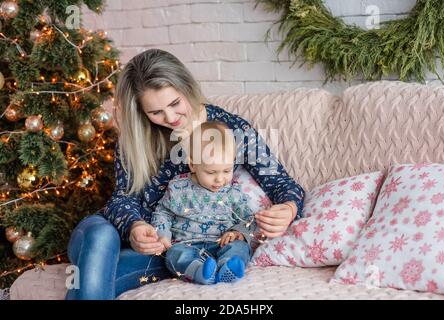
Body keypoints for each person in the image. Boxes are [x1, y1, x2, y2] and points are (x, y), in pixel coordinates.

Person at [65, 49, 305, 300]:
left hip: (168, 251)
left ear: (186, 87)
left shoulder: (230, 130)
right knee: (100, 236)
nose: (169, 118)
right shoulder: (136, 139)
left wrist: (288, 208)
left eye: (174, 103)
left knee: (91, 282)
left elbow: (282, 183)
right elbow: (122, 199)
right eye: (155, 112)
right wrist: (135, 226)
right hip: (109, 233)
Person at [152, 121, 256, 285]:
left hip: (222, 243)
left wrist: (238, 232)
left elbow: (249, 219)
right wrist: (163, 234)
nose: (220, 179)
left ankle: (227, 267)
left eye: (227, 170)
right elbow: (162, 212)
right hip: (187, 245)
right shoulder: (178, 187)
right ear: (193, 165)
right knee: (174, 255)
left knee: (240, 247)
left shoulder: (233, 192)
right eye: (211, 172)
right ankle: (199, 271)